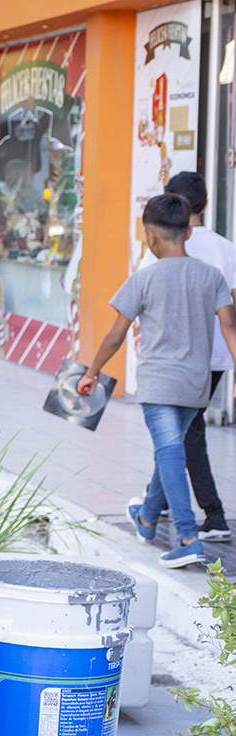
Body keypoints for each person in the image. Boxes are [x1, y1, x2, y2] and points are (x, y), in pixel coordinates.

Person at [78, 193, 236, 569]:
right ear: (187, 230)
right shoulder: (211, 276)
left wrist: (92, 371)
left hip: (159, 383)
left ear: (150, 237)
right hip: (196, 384)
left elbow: (115, 335)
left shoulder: (143, 278)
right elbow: (230, 327)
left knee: (169, 452)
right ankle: (147, 519)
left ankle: (187, 537)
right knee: (171, 451)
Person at [162, 171, 235, 539]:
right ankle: (154, 502)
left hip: (180, 354)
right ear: (204, 203)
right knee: (177, 428)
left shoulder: (171, 242)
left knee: (185, 432)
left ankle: (215, 515)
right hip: (218, 356)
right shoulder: (226, 247)